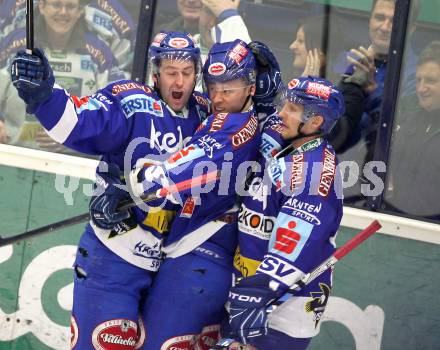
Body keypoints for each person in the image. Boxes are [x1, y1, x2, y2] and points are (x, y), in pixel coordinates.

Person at [10, 31, 210, 349]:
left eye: (187, 73)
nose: (180, 82)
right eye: (172, 72)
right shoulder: (132, 103)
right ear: (155, 73)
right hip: (114, 259)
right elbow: (76, 123)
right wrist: (44, 95)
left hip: (173, 270)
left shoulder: (207, 115)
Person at [128, 39, 283, 349]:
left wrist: (138, 183)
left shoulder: (229, 128)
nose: (218, 98)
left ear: (250, 88)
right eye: (213, 87)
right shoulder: (252, 120)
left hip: (195, 264)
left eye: (229, 90)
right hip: (211, 265)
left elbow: (166, 179)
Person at [223, 76, 345, 349]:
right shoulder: (292, 151)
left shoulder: (313, 172)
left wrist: (261, 291)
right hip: (254, 297)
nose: (282, 113)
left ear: (315, 122)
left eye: (292, 109)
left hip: (281, 313)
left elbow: (293, 245)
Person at [0, 0, 126, 150]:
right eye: (56, 5)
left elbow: (117, 110)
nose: (63, 12)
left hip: (74, 161)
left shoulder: (99, 51)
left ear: (80, 11)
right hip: (13, 154)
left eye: (71, 6)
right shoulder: (15, 44)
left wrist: (71, 136)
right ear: (41, 6)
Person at [329, 0, 421, 155]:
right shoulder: (348, 59)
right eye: (379, 17)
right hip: (333, 158)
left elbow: (398, 124)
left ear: (410, 29)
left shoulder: (417, 74)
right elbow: (327, 114)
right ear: (369, 20)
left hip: (377, 162)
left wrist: (369, 91)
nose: (385, 27)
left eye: (394, 21)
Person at [383, 41, 440, 220]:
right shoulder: (408, 122)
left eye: (430, 81)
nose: (421, 88)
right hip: (397, 222)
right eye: (418, 80)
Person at [288, 15, 343, 82]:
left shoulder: (338, 89)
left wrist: (306, 86)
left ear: (320, 52)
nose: (292, 46)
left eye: (300, 41)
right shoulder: (284, 78)